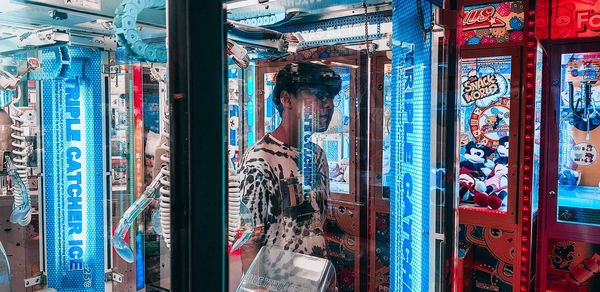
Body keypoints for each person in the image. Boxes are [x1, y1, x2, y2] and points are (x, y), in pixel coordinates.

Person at [238, 62, 341, 272]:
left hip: (315, 280)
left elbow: (318, 225)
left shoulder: (317, 154)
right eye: (319, 95)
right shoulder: (259, 160)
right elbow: (250, 242)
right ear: (286, 99)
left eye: (331, 97)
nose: (329, 104)